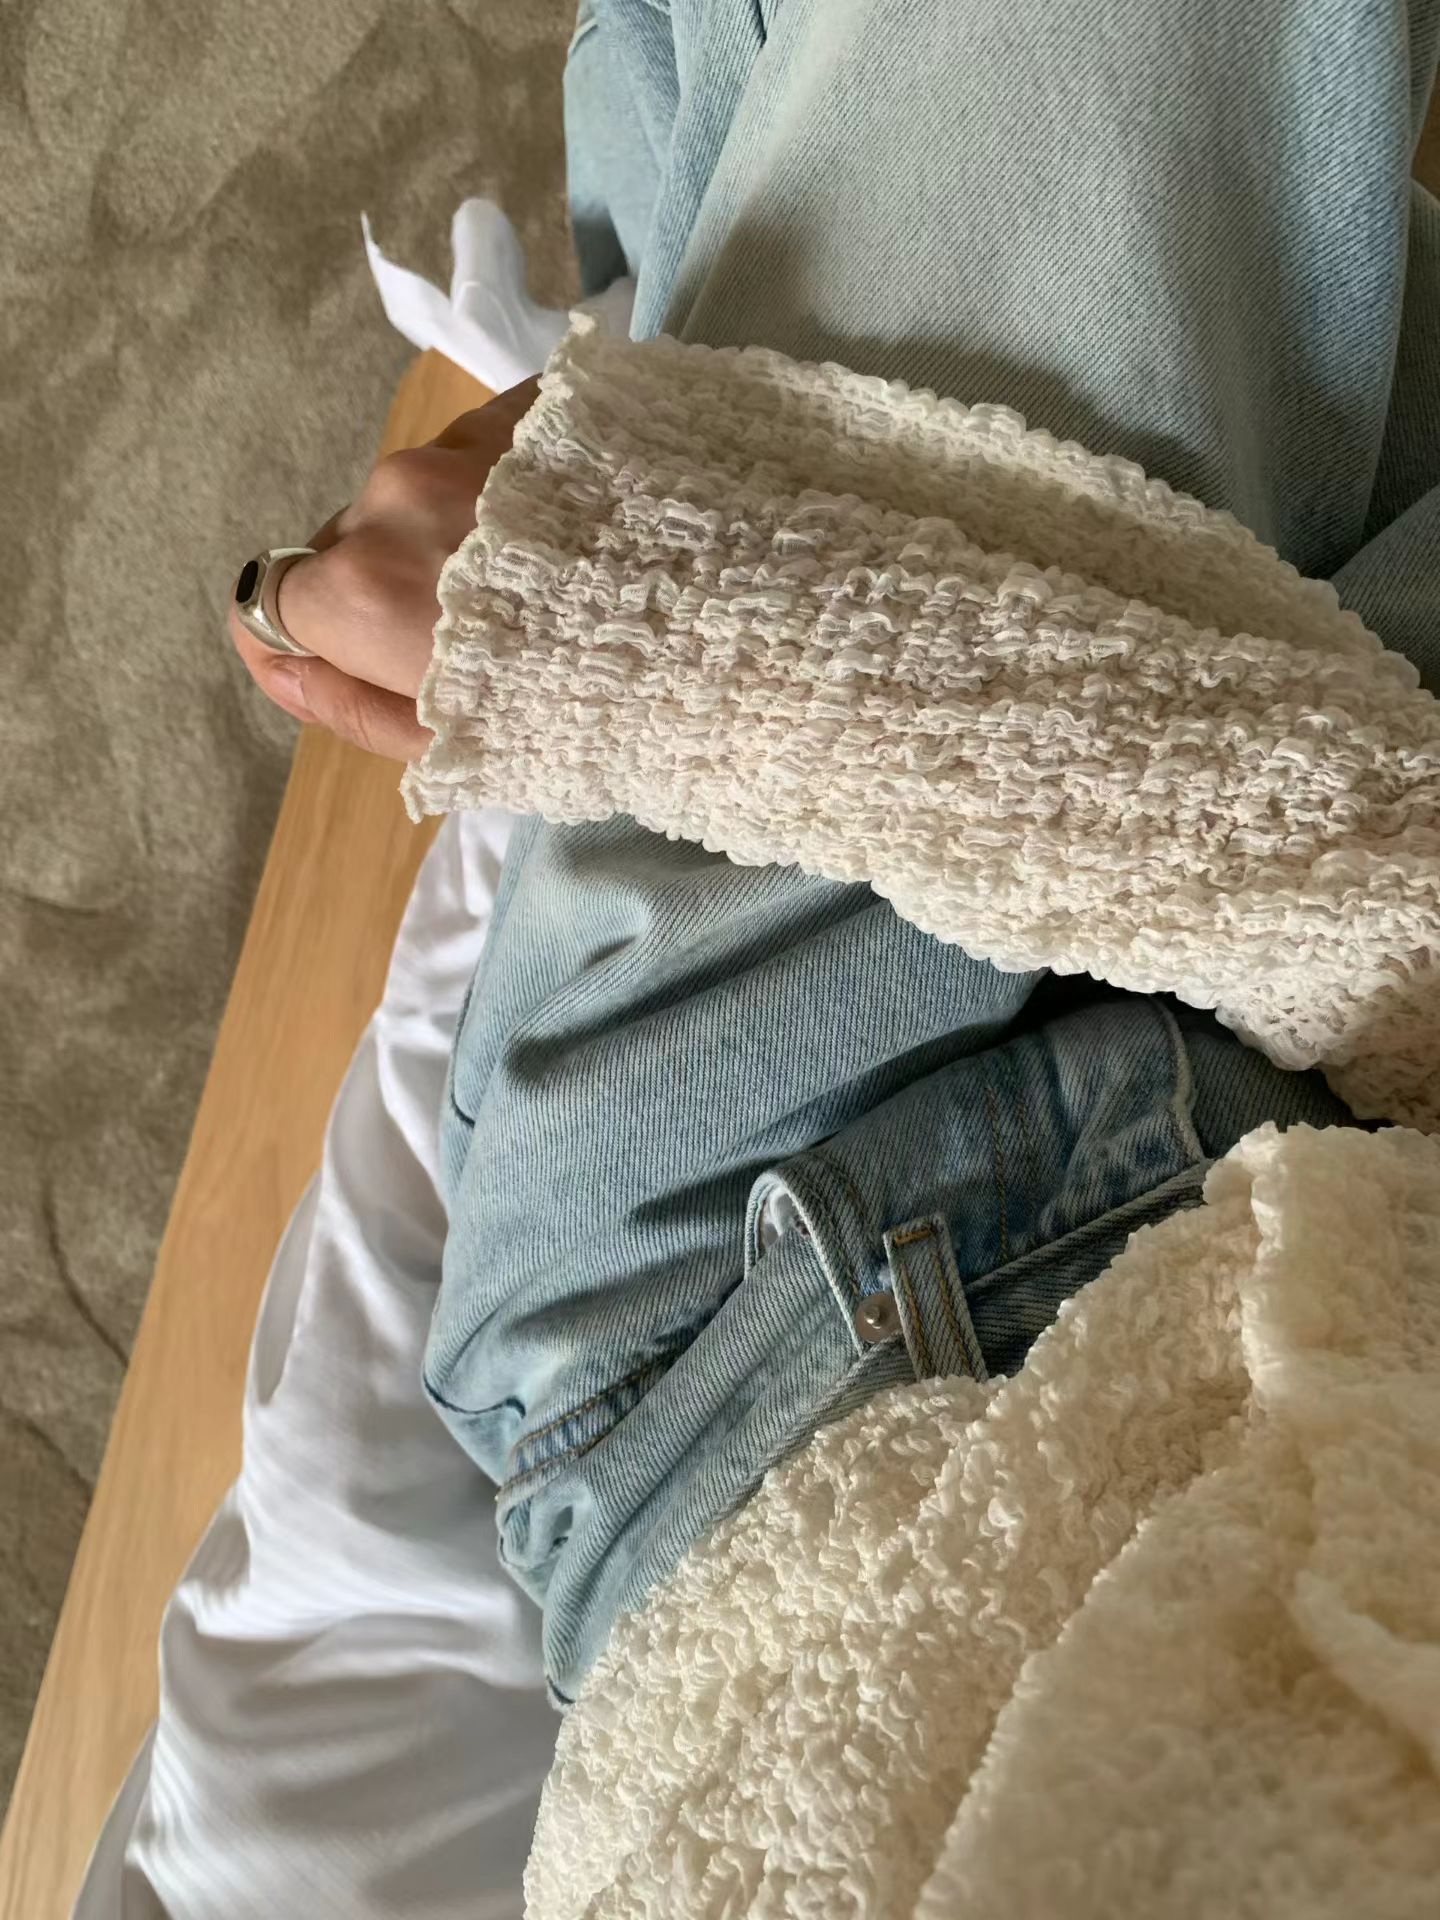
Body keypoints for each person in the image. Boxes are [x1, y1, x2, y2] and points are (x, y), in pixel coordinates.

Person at [228, 0, 1440, 1718]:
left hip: (739, 1345)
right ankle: (685, 251)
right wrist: (653, 616)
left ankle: (690, 254)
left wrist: (645, 611)